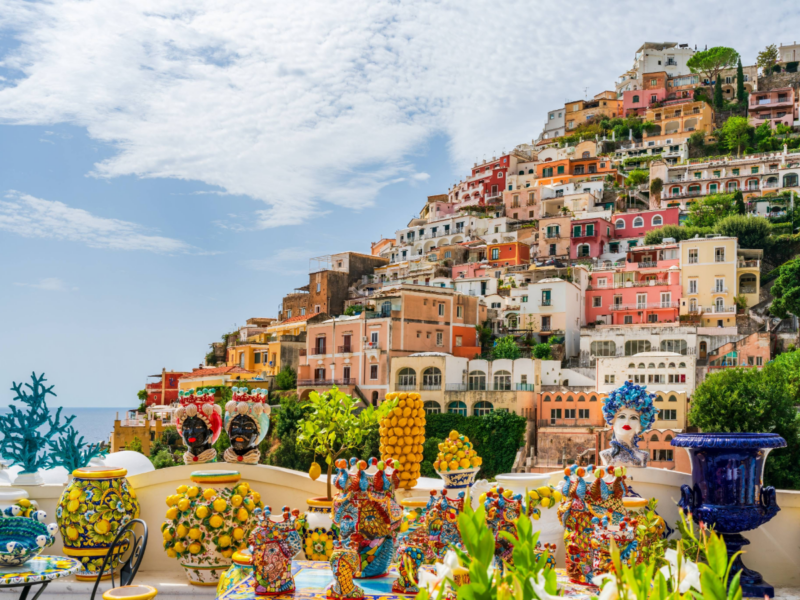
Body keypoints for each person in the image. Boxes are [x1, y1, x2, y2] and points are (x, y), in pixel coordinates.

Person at [599, 381, 659, 468]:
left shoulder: (643, 456)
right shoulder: (606, 455)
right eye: (622, 417)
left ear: (641, 425)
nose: (626, 422)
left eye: (633, 418)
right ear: (612, 421)